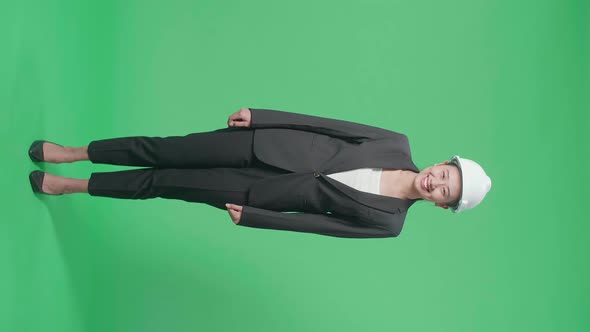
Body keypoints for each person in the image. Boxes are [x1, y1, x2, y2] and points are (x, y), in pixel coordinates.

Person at [28, 108, 492, 238]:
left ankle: (72, 185)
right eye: (445, 174)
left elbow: (321, 226)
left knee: (162, 182)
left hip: (260, 190)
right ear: (441, 164)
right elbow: (327, 125)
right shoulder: (397, 143)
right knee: (164, 149)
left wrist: (255, 217)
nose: (437, 182)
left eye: (445, 192)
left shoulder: (389, 223)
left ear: (442, 205)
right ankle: (72, 153)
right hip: (262, 143)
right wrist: (264, 116)